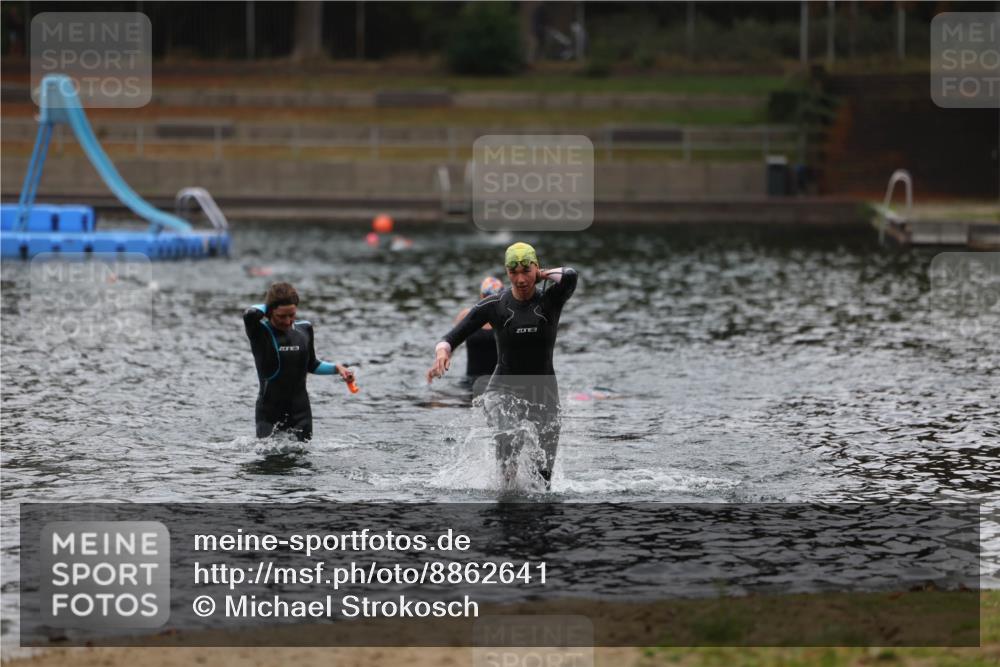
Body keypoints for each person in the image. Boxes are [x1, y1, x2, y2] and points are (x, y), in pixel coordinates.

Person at [427, 243, 578, 489]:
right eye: (513, 272)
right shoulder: (495, 305)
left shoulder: (551, 300)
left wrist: (540, 274)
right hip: (503, 389)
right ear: (506, 273)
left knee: (544, 481)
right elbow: (450, 337)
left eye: (526, 271)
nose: (519, 279)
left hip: (545, 391)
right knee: (508, 456)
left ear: (537, 269)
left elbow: (570, 275)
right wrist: (442, 352)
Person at [243, 282, 354, 442]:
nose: (288, 321)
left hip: (301, 413)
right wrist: (268, 306)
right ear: (269, 312)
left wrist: (338, 368)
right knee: (270, 463)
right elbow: (250, 313)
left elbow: (312, 365)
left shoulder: (304, 329)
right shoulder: (259, 332)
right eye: (281, 316)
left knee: (302, 463)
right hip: (268, 415)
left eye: (292, 315)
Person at [455, 276, 503, 384]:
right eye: (487, 297)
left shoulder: (506, 316)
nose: (491, 301)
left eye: (495, 298)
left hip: (498, 381)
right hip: (471, 379)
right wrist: (443, 359)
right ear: (481, 296)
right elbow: (452, 341)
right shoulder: (466, 315)